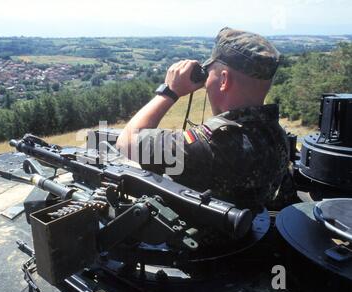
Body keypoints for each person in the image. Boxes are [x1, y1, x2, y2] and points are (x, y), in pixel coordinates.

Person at [116, 27, 290, 214]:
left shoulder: (211, 145)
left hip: (200, 241)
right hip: (248, 234)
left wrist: (169, 91)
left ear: (224, 80)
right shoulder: (278, 136)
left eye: (209, 73)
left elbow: (126, 143)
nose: (206, 82)